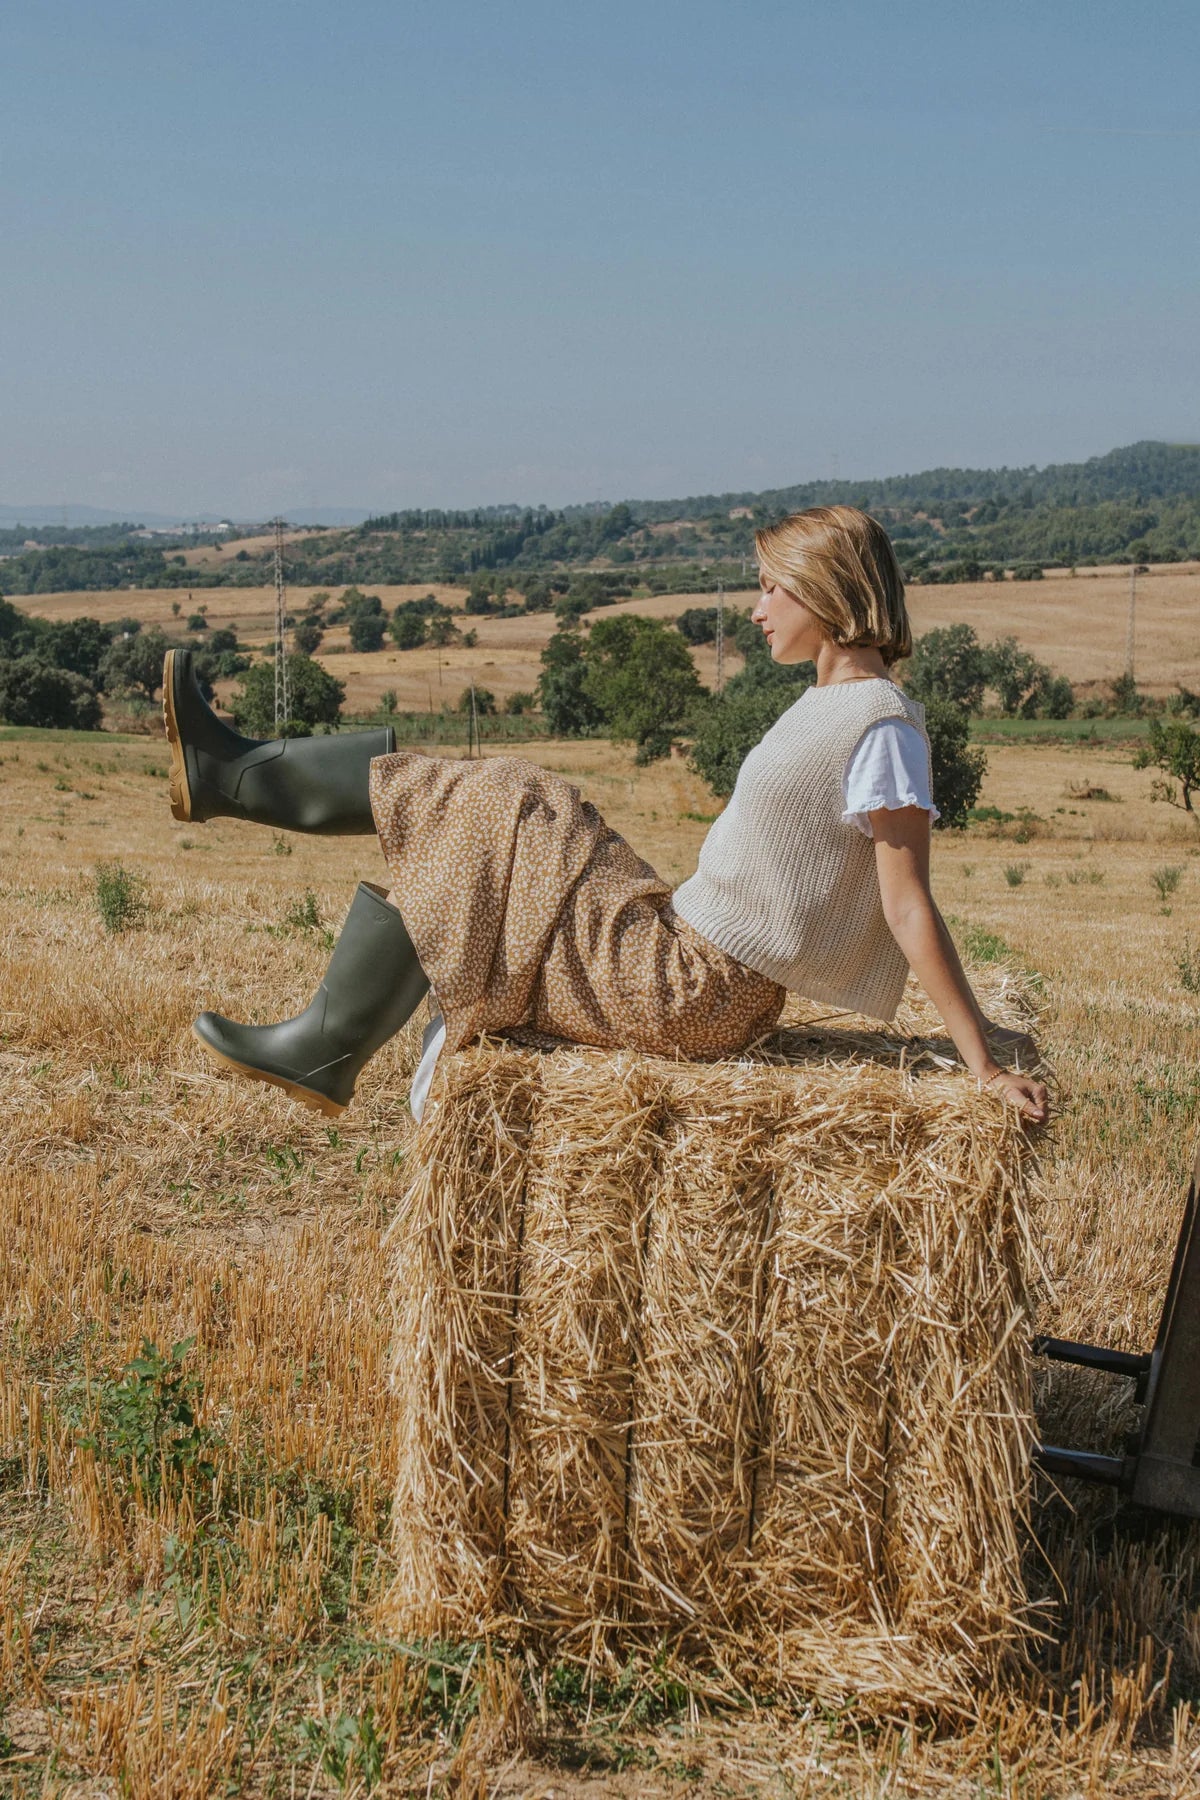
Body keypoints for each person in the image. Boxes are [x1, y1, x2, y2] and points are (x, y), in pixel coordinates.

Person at [166, 506, 1048, 1125]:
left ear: (827, 590)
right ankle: (241, 798)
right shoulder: (834, 706)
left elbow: (907, 902)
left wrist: (980, 1066)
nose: (756, 608)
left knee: (500, 802)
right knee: (517, 817)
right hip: (681, 949)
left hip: (697, 990)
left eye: (773, 588)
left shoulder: (881, 726)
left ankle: (239, 792)